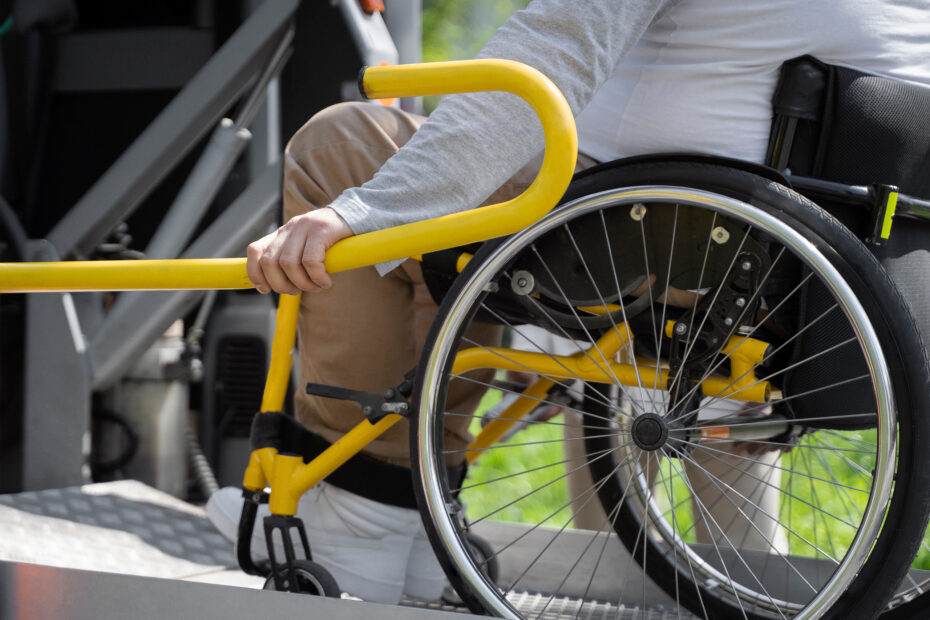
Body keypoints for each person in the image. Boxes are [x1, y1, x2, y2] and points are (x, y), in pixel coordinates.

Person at [207, 0, 930, 604]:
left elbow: (537, 67)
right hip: (803, 263)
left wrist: (364, 211)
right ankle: (411, 515)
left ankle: (368, 507)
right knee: (460, 203)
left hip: (652, 230)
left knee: (344, 145)